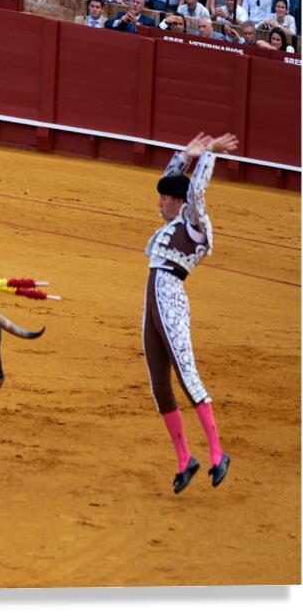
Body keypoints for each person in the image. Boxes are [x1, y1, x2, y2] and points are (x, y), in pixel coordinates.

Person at [143, 131, 237, 494]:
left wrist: (209, 155)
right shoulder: (176, 220)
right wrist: (185, 155)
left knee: (186, 374)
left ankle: (217, 452)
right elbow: (175, 183)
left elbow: (195, 191)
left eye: (164, 199)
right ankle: (185, 459)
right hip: (154, 298)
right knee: (159, 384)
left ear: (178, 202)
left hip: (170, 299)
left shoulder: (196, 224)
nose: (159, 204)